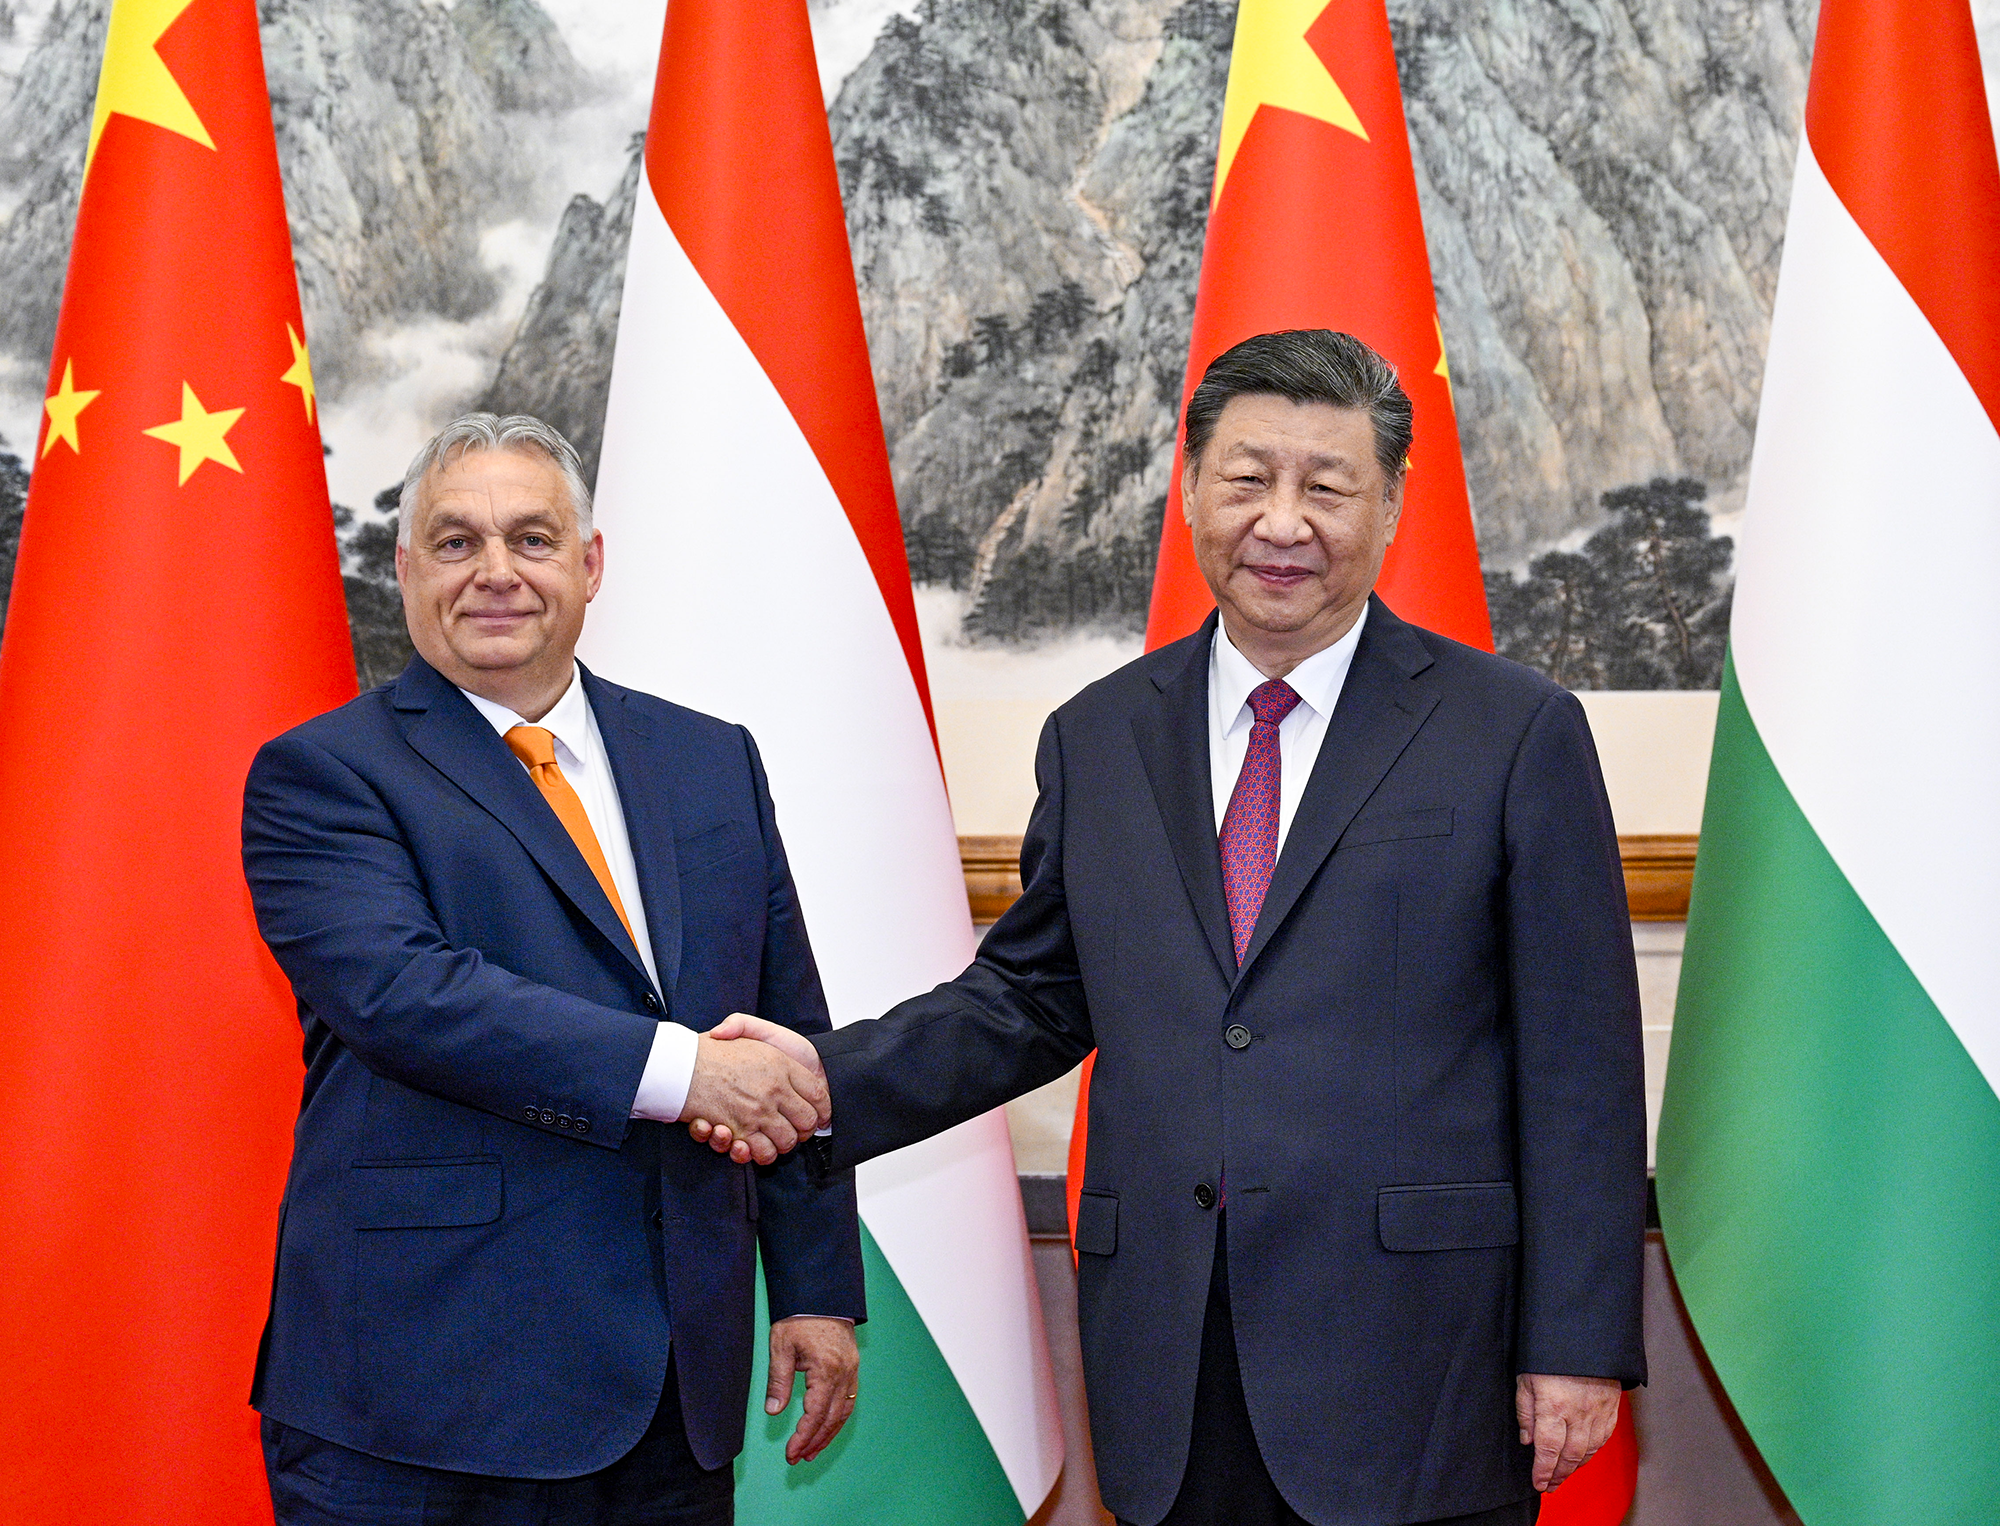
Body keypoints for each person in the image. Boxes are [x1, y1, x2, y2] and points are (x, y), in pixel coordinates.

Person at [700, 332, 1648, 1526]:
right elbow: (1030, 997)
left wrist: (1574, 1341)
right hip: (1171, 1351)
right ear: (1189, 488)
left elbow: (1579, 1064)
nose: (1282, 521)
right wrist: (816, 1078)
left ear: (1390, 506)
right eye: (1247, 478)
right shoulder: (1099, 735)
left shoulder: (1510, 730)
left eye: (1326, 485)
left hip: (1418, 1357)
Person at [242, 414, 861, 1526]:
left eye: (532, 538)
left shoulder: (709, 759)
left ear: (590, 563)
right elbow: (407, 996)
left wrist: (813, 1286)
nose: (496, 572)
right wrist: (686, 1072)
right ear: (404, 568)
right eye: (455, 541)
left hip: (673, 1392)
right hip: (424, 1403)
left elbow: (783, 1030)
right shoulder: (323, 774)